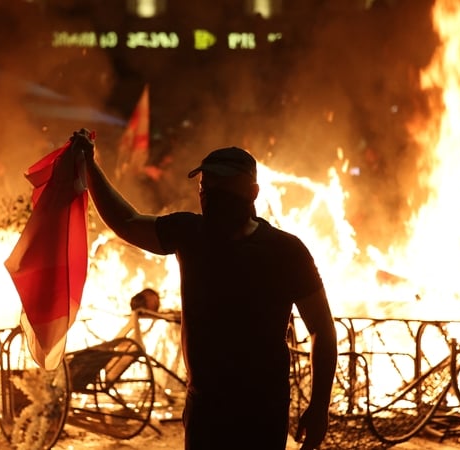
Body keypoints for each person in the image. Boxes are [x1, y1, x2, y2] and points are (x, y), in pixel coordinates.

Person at [71, 129, 337, 450]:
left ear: (252, 192)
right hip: (206, 406)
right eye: (205, 185)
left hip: (262, 408)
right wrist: (89, 163)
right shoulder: (189, 233)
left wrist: (320, 406)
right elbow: (126, 221)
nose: (209, 193)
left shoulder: (285, 250)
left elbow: (322, 329)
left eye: (222, 187)